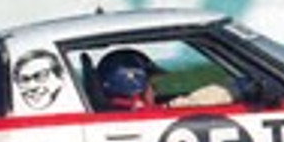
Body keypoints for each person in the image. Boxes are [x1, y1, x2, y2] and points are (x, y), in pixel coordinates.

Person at [96, 48, 234, 111]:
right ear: (133, 86)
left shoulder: (115, 110)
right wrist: (237, 88)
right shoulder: (142, 115)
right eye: (152, 86)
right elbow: (194, 103)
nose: (156, 92)